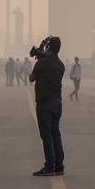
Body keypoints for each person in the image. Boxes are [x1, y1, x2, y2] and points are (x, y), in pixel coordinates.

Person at [29, 36, 65, 176]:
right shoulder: (60, 64)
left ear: (48, 47)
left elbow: (31, 78)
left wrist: (39, 60)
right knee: (56, 133)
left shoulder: (42, 63)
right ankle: (59, 165)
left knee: (47, 135)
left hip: (45, 102)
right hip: (57, 102)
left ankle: (49, 166)